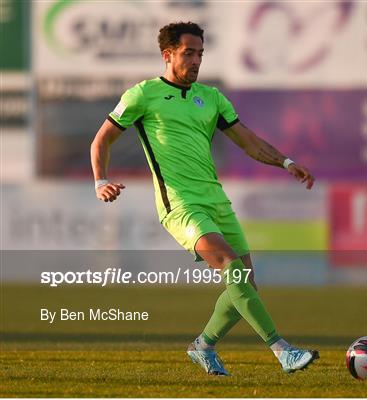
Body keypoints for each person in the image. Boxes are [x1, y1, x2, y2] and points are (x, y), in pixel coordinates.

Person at [90, 21, 317, 376]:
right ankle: (282, 350)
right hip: (179, 204)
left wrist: (285, 162)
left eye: (200, 54)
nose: (196, 61)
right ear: (168, 55)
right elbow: (101, 139)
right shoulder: (143, 95)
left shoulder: (211, 98)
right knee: (232, 268)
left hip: (216, 200)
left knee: (246, 284)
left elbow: (248, 141)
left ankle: (204, 346)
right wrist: (100, 180)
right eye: (188, 53)